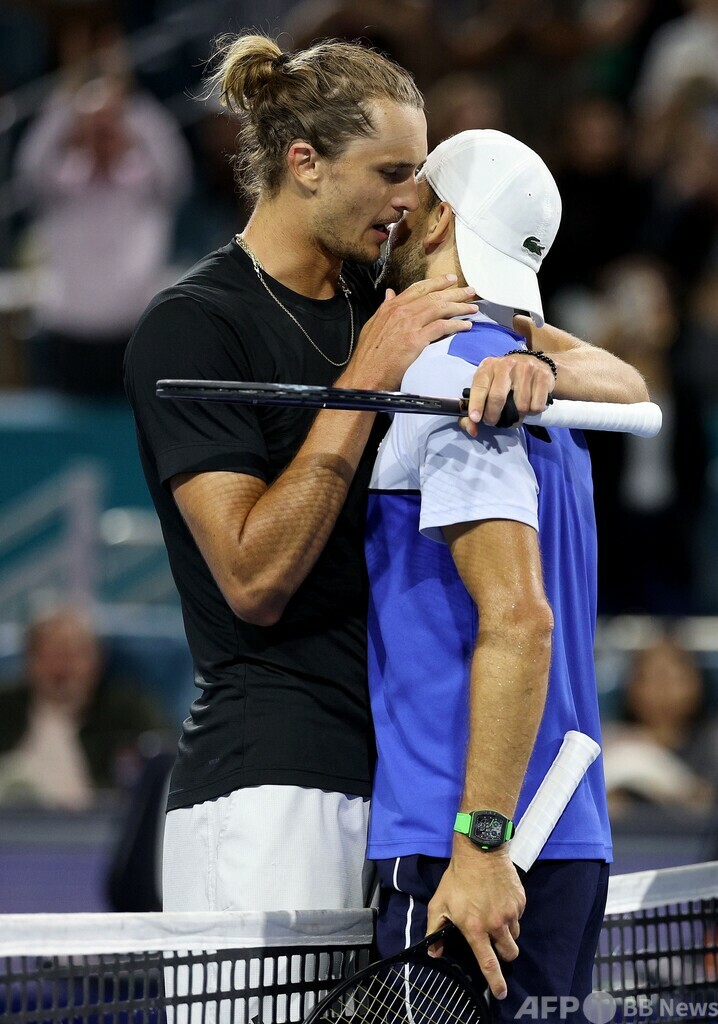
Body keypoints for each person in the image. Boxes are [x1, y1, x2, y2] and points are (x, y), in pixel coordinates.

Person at [124, 33, 647, 915]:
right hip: (272, 787)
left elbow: (624, 383)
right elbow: (253, 578)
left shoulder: (388, 297)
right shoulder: (195, 324)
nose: (413, 201)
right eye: (393, 172)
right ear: (306, 164)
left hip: (403, 795)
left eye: (421, 175)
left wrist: (532, 369)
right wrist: (363, 380)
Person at [364, 129, 646, 1020]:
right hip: (563, 844)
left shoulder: (454, 377)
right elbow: (627, 376)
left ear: (441, 218)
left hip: (471, 853)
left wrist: (481, 845)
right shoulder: (550, 388)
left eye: (414, 199)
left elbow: (521, 620)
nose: (396, 215)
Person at [0, 608, 169, 809]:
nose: (61, 669)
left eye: (72, 656)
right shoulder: (5, 707)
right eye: (51, 655)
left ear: (96, 661)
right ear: (29, 661)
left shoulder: (129, 711)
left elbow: (163, 761)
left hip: (97, 821)